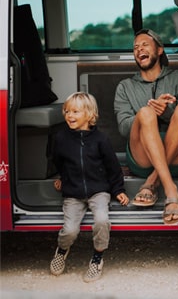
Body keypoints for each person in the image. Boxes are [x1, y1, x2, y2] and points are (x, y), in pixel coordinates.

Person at [114, 29, 178, 225]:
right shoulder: (125, 86)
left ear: (159, 50)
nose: (139, 49)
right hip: (142, 159)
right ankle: (171, 191)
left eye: (144, 45)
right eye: (135, 47)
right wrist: (149, 112)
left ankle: (152, 181)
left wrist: (167, 112)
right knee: (145, 113)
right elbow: (124, 129)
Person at [50, 92, 129, 283]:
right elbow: (58, 161)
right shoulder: (61, 139)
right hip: (73, 193)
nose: (70, 115)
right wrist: (62, 177)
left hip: (98, 191)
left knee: (102, 221)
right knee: (70, 230)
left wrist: (118, 190)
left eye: (75, 111)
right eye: (67, 111)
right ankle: (62, 250)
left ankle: (97, 257)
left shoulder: (100, 139)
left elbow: (113, 167)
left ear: (89, 114)